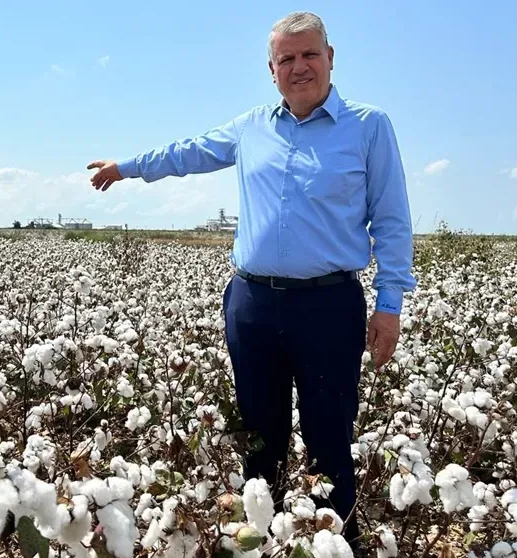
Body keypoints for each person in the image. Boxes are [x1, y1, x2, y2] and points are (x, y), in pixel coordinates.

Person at [87, 10, 415, 552]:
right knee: (260, 437)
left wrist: (390, 303)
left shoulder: (369, 125)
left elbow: (393, 219)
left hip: (329, 305)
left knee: (330, 437)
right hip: (252, 303)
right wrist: (126, 166)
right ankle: (262, 541)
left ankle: (335, 544)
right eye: (286, 59)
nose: (299, 66)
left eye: (310, 54)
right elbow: (187, 153)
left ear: (331, 58)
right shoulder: (252, 126)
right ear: (271, 69)